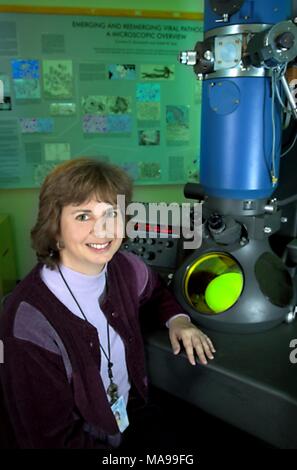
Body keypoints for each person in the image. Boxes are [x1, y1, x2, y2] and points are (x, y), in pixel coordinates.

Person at [0, 158, 216, 449]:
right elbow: (50, 440)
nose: (102, 229)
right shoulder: (29, 321)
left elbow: (155, 292)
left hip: (131, 413)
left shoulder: (125, 267)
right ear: (54, 226)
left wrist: (178, 320)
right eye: (82, 216)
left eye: (111, 213)